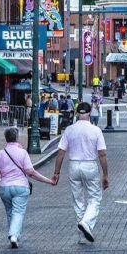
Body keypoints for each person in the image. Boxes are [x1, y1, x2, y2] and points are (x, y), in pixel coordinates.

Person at [0, 127, 54, 248]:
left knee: (10, 212)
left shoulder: (1, 153)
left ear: (6, 138)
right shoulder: (22, 153)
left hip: (4, 188)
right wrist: (48, 181)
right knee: (18, 212)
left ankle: (14, 236)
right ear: (17, 138)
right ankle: (13, 235)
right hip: (21, 187)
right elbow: (31, 172)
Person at [52, 102, 109, 243]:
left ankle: (82, 236)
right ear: (90, 114)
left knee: (78, 200)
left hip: (73, 165)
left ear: (77, 113)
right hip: (90, 165)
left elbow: (60, 153)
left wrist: (56, 172)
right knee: (94, 198)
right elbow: (102, 154)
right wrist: (105, 174)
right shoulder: (96, 130)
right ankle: (87, 222)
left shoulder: (69, 130)